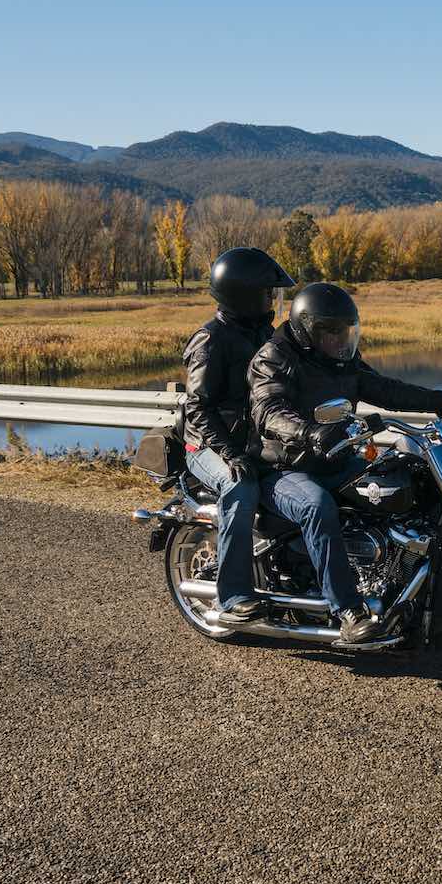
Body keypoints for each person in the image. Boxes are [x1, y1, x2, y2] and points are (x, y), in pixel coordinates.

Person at [249, 282, 442, 645]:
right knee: (316, 506)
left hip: (335, 459)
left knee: (410, 483)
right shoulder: (273, 358)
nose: (342, 341)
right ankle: (348, 611)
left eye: (347, 332)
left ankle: (413, 592)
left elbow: (385, 389)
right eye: (333, 333)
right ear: (309, 331)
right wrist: (308, 431)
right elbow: (268, 410)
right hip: (284, 467)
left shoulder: (341, 359)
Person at [182, 247, 295, 623]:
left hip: (251, 441)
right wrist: (230, 454)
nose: (271, 300)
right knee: (241, 486)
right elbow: (198, 408)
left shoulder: (265, 335)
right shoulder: (211, 340)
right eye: (266, 293)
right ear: (242, 295)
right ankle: (232, 596)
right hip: (207, 445)